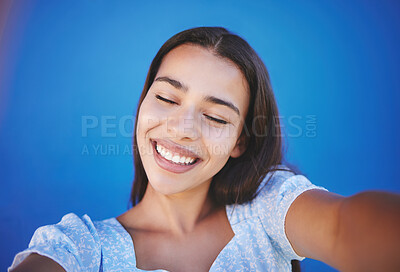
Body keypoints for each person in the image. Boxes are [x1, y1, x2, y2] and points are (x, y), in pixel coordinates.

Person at [9, 27, 400, 272]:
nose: (182, 129)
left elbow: (342, 228)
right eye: (167, 98)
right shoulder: (81, 248)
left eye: (216, 117)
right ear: (144, 102)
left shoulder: (268, 210)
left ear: (239, 142)